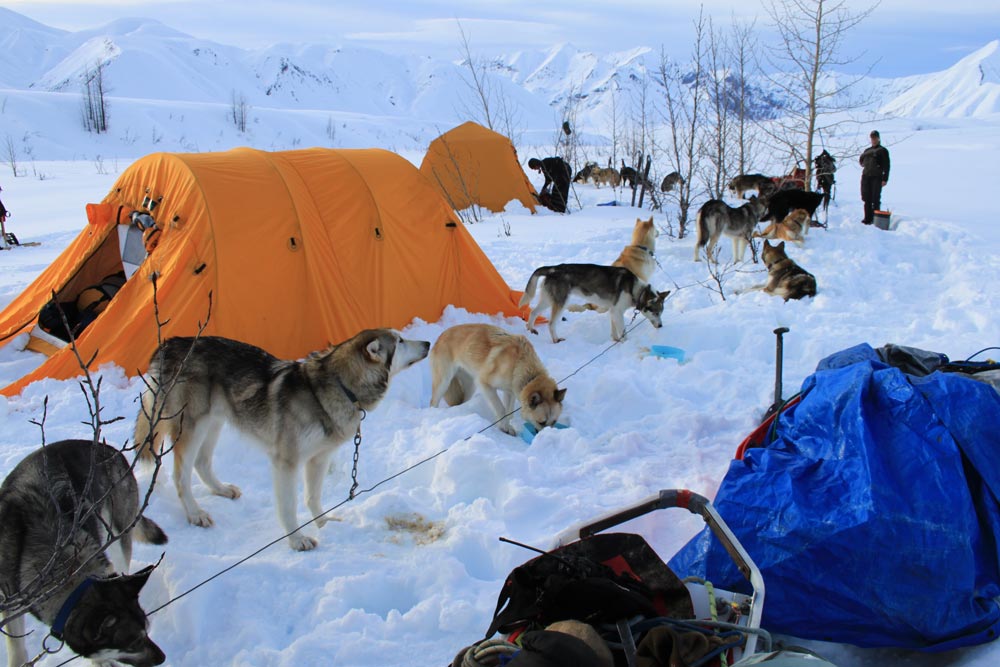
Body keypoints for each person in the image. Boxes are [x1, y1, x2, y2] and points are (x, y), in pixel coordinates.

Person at [859, 130, 890, 225]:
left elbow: (887, 166)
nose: (873, 140)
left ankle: (876, 219)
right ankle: (867, 218)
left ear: (878, 138)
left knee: (875, 198)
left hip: (876, 177)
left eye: (875, 138)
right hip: (866, 177)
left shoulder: (882, 151)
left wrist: (885, 179)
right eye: (872, 138)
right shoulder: (867, 151)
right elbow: (861, 162)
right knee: (866, 198)